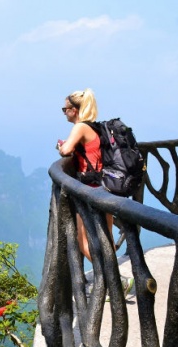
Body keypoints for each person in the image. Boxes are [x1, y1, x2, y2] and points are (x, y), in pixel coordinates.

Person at [56, 88, 134, 297]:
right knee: (106, 239)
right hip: (105, 187)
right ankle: (115, 282)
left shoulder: (80, 127)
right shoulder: (97, 127)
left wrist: (61, 146)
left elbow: (66, 150)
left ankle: (117, 281)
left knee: (83, 242)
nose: (64, 113)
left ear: (75, 110)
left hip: (89, 190)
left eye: (65, 109)